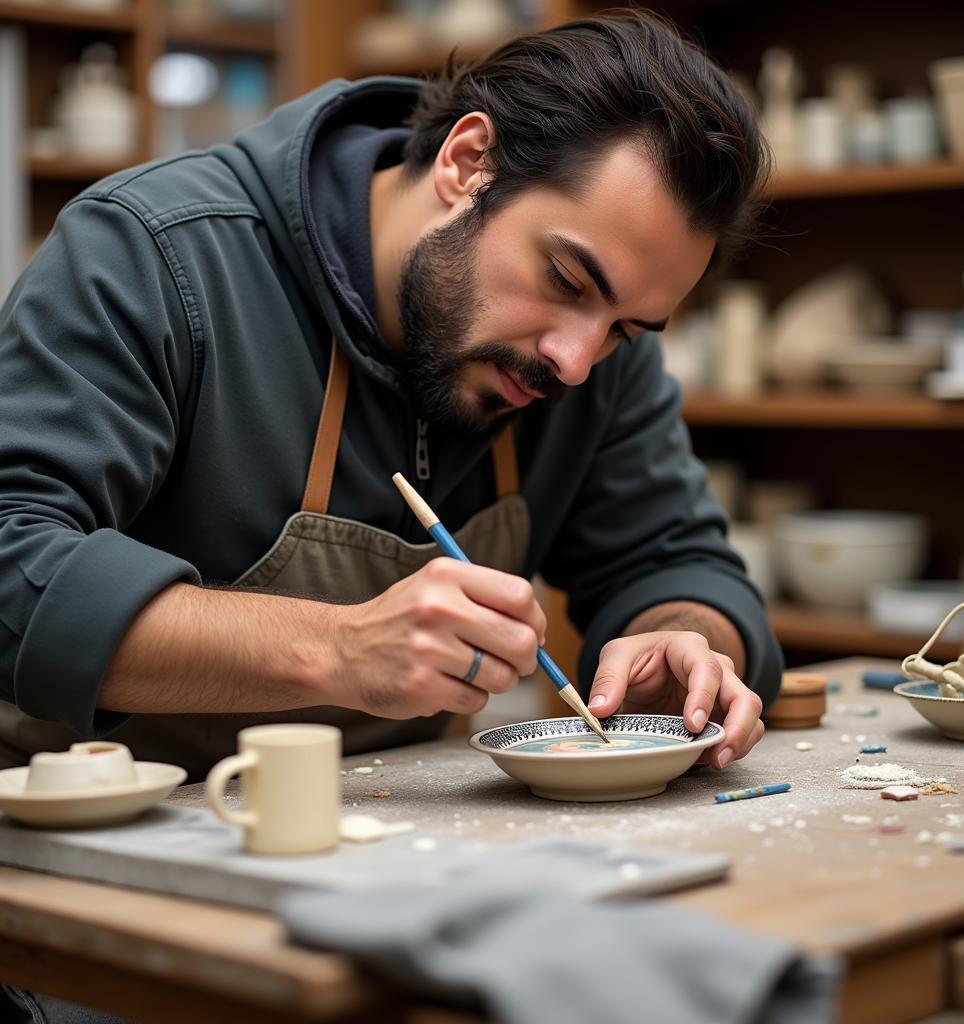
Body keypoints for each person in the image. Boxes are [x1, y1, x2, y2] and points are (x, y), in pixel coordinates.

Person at [0, 10, 782, 791]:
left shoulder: (589, 353)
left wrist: (687, 642)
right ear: (468, 162)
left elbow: (677, 561)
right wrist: (336, 648)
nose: (575, 362)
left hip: (400, 841)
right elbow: (12, 564)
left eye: (626, 329)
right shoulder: (155, 256)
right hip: (97, 840)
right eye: (567, 281)